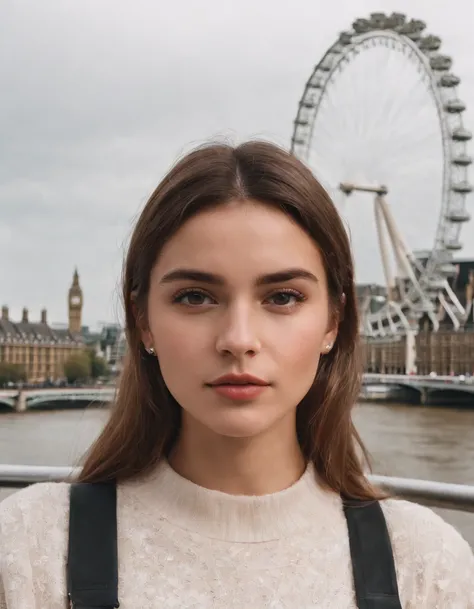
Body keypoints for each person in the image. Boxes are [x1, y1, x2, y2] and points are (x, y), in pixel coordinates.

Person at [0, 141, 473, 609]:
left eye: (283, 297)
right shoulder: (27, 551)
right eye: (195, 297)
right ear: (141, 320)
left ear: (333, 322)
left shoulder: (427, 569)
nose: (238, 338)